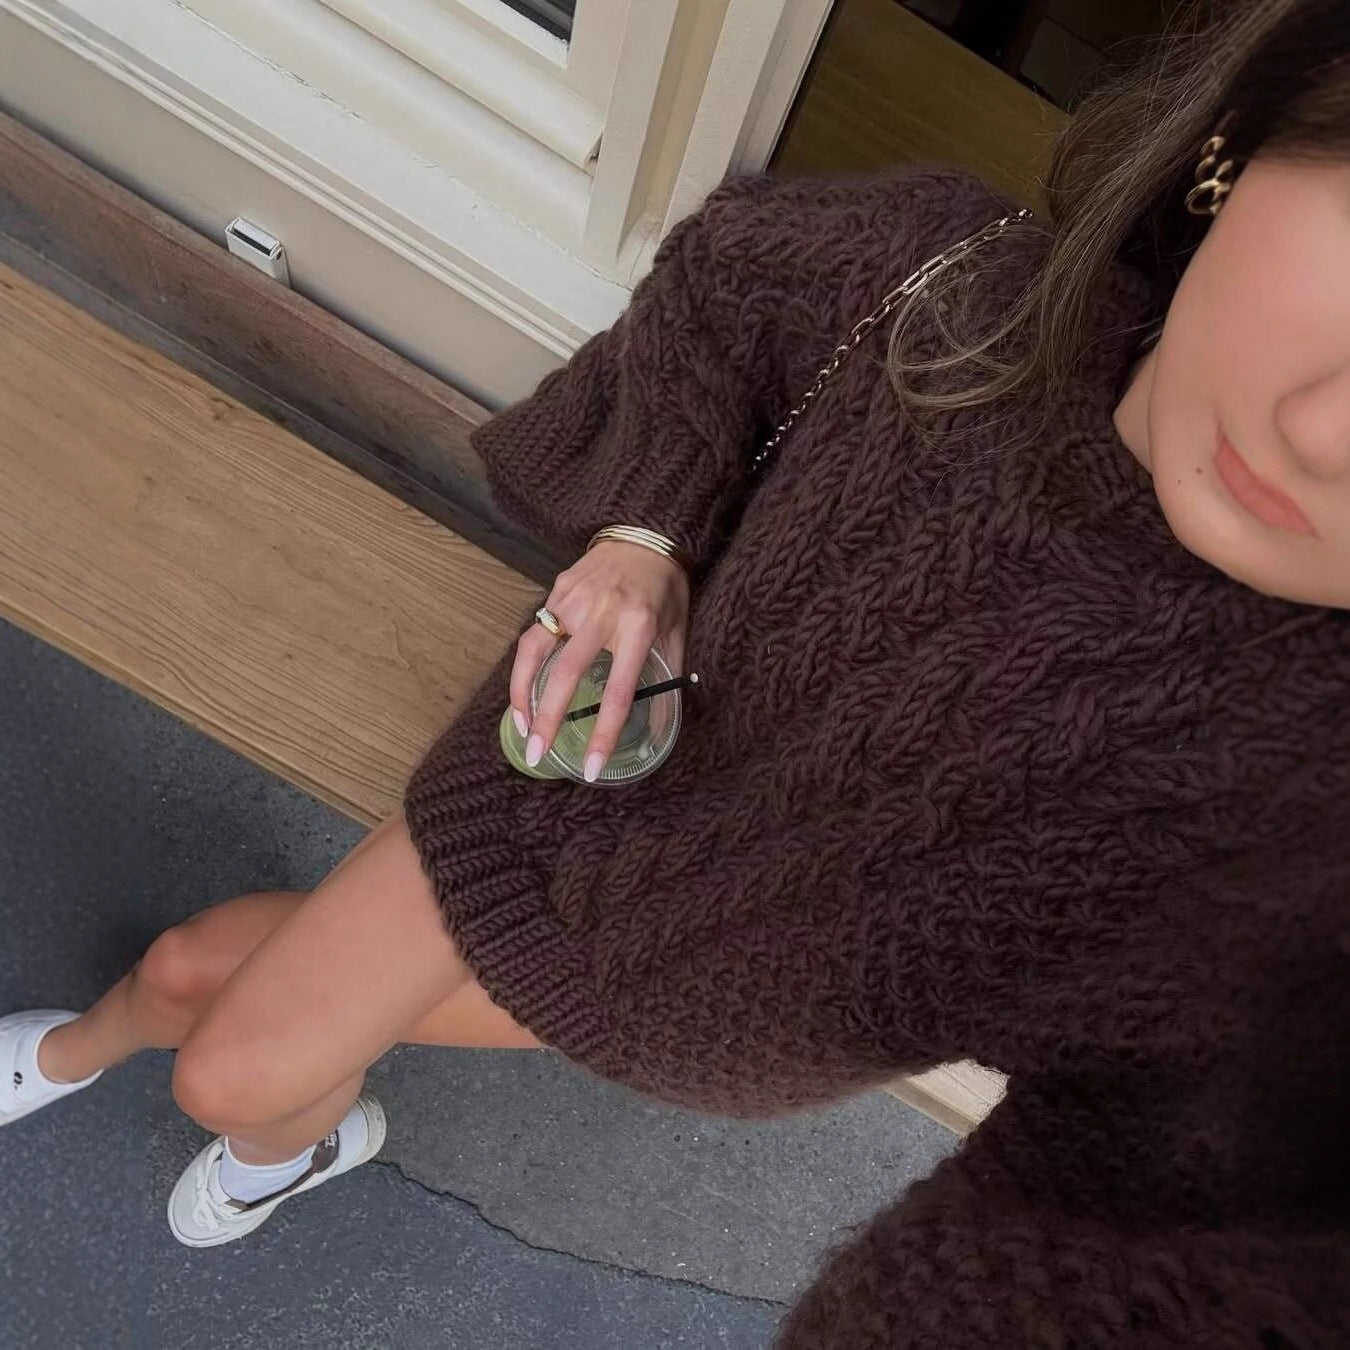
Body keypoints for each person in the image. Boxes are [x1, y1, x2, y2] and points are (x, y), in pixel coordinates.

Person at [4, 0, 1350, 1339]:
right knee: (209, 1024)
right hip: (567, 768)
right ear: (1246, 139)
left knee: (217, 1017)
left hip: (685, 1014)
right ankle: (160, 1086)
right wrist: (645, 530)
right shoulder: (954, 284)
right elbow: (726, 289)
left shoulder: (1307, 812)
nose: (1325, 435)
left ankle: (230, 1118)